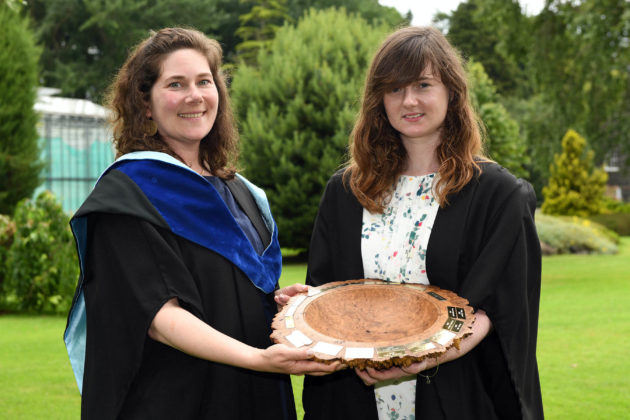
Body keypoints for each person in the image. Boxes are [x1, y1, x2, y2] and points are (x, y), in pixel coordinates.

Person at [63, 27, 337, 420]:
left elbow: (231, 291)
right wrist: (259, 359)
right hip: (180, 400)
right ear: (146, 104)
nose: (194, 95)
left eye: (204, 81)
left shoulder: (243, 194)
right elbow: (159, 317)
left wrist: (281, 307)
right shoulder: (127, 196)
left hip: (257, 395)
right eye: (176, 84)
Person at [302, 26, 543, 419]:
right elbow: (328, 294)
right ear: (379, 100)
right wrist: (308, 305)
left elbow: (497, 308)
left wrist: (425, 358)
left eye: (423, 85)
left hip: (455, 395)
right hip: (357, 398)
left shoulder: (497, 195)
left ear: (452, 91)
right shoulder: (346, 192)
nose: (409, 100)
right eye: (395, 89)